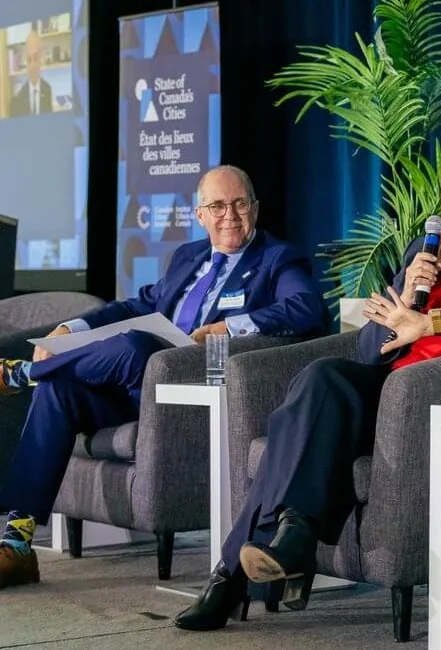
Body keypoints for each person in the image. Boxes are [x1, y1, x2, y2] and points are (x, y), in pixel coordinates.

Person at [173, 139, 441, 631]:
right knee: (322, 376)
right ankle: (295, 531)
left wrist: (432, 322)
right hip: (386, 391)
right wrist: (408, 293)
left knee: (288, 442)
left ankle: (232, 577)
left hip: (440, 396)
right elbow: (369, 343)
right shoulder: (427, 251)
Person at [0, 164, 326, 589]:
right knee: (59, 390)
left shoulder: (275, 259)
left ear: (256, 208)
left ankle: (24, 373)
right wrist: (71, 328)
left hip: (194, 388)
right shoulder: (187, 258)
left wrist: (231, 326)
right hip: (140, 390)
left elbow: (306, 307)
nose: (230, 214)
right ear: (200, 214)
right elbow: (137, 304)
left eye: (240, 203)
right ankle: (18, 542)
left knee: (135, 345)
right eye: (218, 205)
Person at [10, 30, 52, 117]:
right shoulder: (19, 97)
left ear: (41, 60)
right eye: (29, 60)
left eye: (35, 58)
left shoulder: (47, 90)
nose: (32, 65)